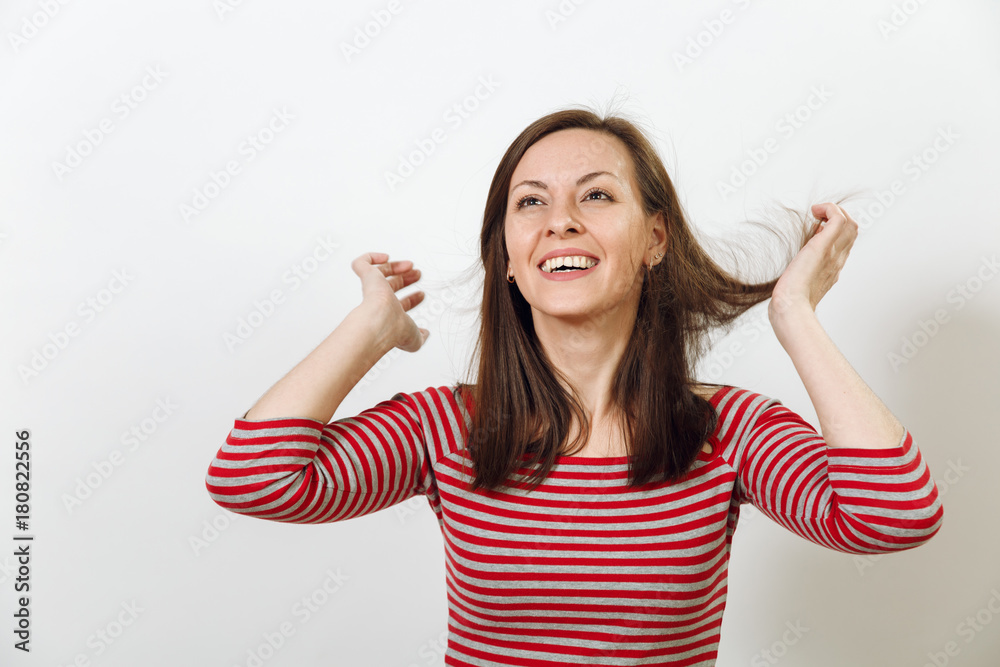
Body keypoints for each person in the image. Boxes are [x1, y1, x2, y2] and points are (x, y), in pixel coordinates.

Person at [205, 107, 943, 666]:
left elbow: (895, 516)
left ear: (655, 239)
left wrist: (795, 315)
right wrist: (369, 330)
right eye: (530, 203)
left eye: (595, 196)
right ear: (508, 255)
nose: (559, 221)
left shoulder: (730, 429)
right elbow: (251, 479)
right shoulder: (446, 428)